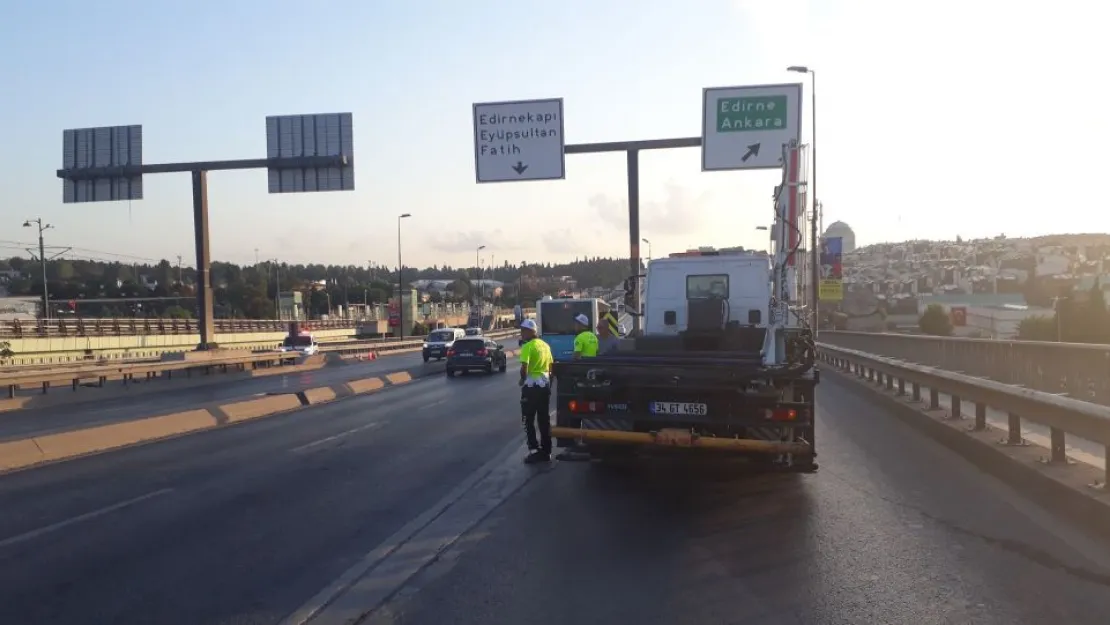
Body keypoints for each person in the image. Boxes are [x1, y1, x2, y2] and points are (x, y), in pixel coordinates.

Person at [517, 319, 554, 463]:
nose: (521, 334)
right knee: (544, 419)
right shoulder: (545, 345)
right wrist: (549, 382)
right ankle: (547, 450)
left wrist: (522, 379)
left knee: (528, 419)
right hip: (544, 386)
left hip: (531, 388)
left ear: (529, 331)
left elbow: (524, 367)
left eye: (523, 331)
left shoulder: (528, 346)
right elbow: (551, 366)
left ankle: (534, 450)